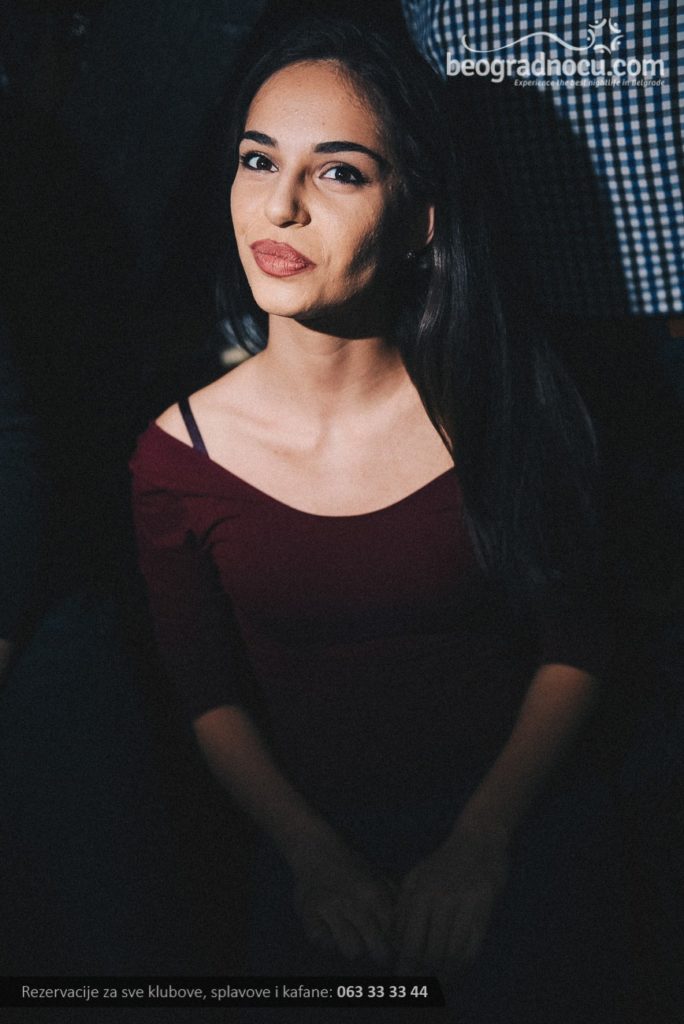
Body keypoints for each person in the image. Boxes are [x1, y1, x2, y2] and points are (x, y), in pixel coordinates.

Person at [130, 17, 625, 1022]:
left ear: (419, 222)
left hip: (517, 821)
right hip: (315, 851)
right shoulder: (176, 456)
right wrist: (310, 854)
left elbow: (580, 641)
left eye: (339, 172)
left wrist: (482, 840)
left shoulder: (498, 403)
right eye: (257, 160)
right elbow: (206, 694)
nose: (280, 205)